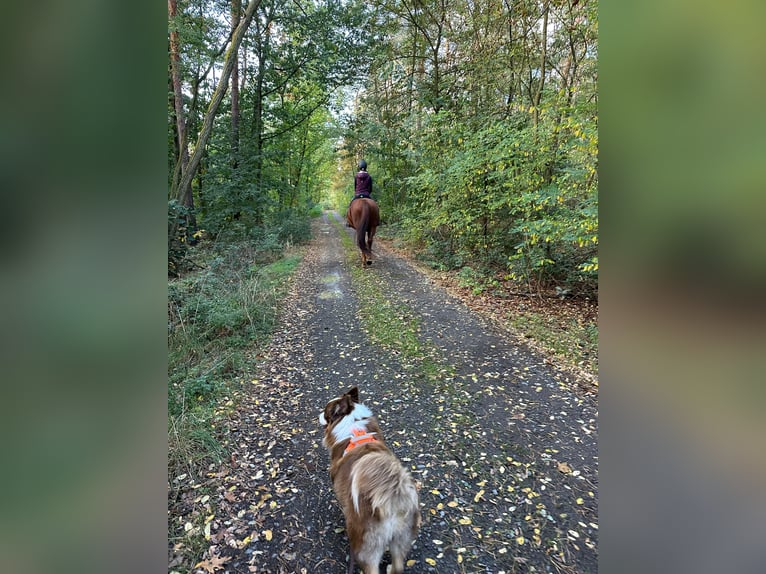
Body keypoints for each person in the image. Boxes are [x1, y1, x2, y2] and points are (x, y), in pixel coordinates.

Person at [346, 160, 374, 226]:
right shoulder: (369, 177)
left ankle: (348, 221)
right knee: (374, 205)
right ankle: (377, 220)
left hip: (358, 194)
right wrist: (368, 192)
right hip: (367, 195)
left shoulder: (356, 176)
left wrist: (357, 192)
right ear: (366, 167)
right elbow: (370, 188)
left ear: (359, 167)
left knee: (350, 206)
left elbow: (355, 187)